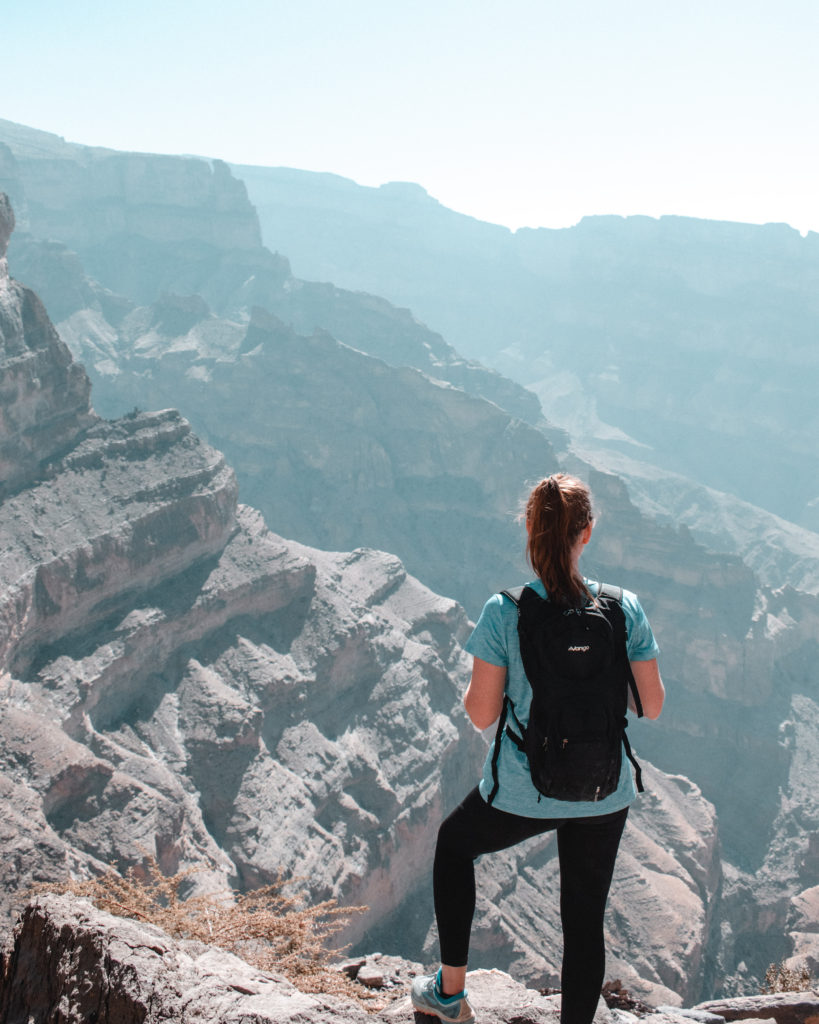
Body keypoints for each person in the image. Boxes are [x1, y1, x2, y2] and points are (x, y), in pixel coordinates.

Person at [411, 473, 665, 1024]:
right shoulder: (625, 608)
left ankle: (449, 996)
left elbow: (480, 714)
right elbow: (651, 705)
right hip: (605, 791)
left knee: (455, 847)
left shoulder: (504, 611)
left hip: (524, 791)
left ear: (529, 529)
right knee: (582, 916)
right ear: (587, 533)